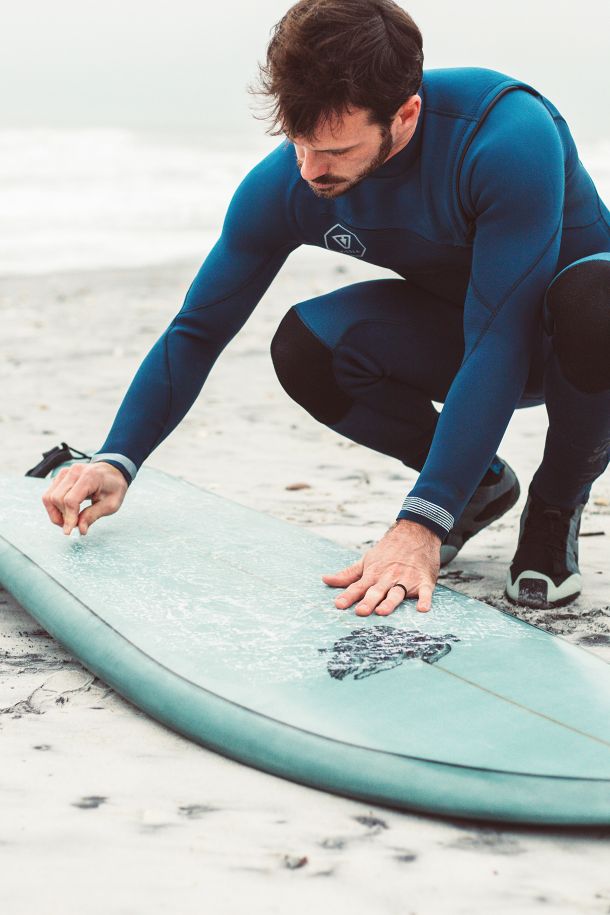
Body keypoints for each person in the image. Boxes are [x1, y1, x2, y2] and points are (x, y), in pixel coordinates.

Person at [42, 0, 610, 616]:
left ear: (405, 114)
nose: (312, 171)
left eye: (336, 149)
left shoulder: (504, 138)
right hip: (464, 333)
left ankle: (555, 504)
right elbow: (198, 329)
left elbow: (499, 339)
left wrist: (420, 522)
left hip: (570, 344)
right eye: (299, 142)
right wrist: (118, 458)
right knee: (307, 346)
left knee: (595, 301)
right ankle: (478, 485)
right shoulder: (290, 180)